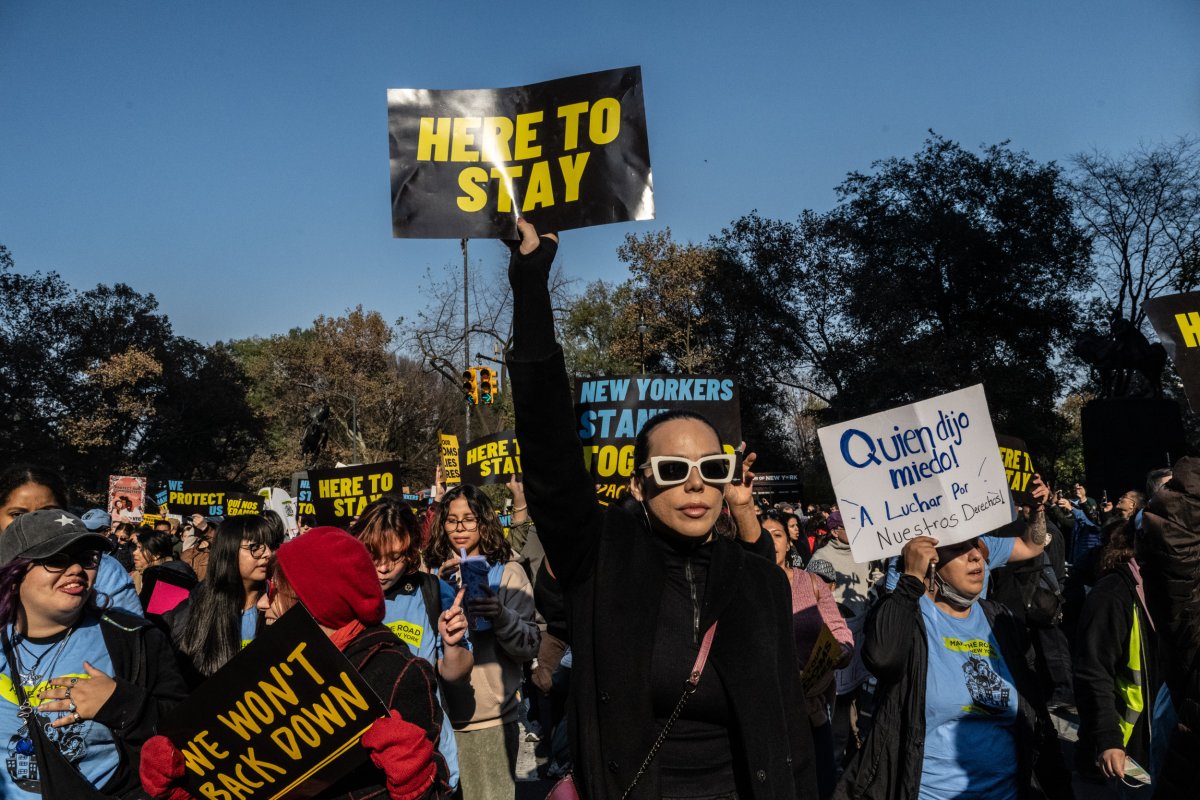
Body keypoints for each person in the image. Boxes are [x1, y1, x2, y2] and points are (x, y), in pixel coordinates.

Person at [507, 221, 816, 799]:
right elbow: (550, 453)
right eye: (673, 471)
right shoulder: (601, 560)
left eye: (713, 469)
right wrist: (530, 286)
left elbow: (787, 734)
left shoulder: (759, 583)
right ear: (639, 484)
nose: (695, 484)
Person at [142, 526, 451, 800]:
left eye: (275, 591)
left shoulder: (400, 673)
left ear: (316, 601)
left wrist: (414, 781)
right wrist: (183, 787)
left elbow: (437, 788)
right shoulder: (271, 663)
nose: (263, 603)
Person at [835, 529, 1072, 800]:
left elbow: (1036, 712)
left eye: (977, 547)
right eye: (959, 549)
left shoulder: (999, 619)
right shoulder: (909, 616)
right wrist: (912, 578)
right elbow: (882, 658)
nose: (976, 556)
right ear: (930, 560)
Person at [0, 510, 186, 797]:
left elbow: (188, 731)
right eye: (56, 559)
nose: (76, 569)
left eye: (87, 558)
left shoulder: (133, 639)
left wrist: (124, 706)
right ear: (15, 572)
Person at [425, 483, 539, 800]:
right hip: (438, 722)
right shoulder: (429, 574)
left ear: (484, 521)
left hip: (489, 722)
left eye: (469, 518)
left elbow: (529, 646)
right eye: (451, 519)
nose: (460, 528)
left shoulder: (509, 573)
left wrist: (501, 614)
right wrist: (435, 590)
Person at [351, 495, 471, 793]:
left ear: (411, 551)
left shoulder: (431, 591)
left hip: (424, 758)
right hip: (358, 764)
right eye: (374, 555)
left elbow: (456, 675)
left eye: (395, 557)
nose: (383, 568)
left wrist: (452, 643)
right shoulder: (343, 594)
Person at [765, 512, 853, 799]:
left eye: (777, 535)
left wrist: (841, 650)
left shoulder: (812, 583)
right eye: (763, 535)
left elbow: (840, 631)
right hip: (768, 711)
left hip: (813, 708)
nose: (770, 541)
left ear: (790, 543)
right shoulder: (744, 585)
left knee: (818, 785)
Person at [1074, 518, 1160, 793]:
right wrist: (1109, 739)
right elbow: (1093, 671)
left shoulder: (1172, 591)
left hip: (1165, 743)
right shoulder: (1112, 594)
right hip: (1126, 750)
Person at [0, 465, 142, 616]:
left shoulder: (105, 571)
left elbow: (129, 632)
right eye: (18, 515)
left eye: (47, 512)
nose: (35, 523)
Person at [164, 515, 280, 687]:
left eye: (271, 546)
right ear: (229, 551)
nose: (268, 554)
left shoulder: (279, 606)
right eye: (255, 547)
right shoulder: (194, 608)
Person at [130, 529, 197, 612]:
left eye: (140, 548)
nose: (134, 552)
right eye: (136, 548)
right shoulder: (136, 576)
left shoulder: (173, 577)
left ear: (156, 554)